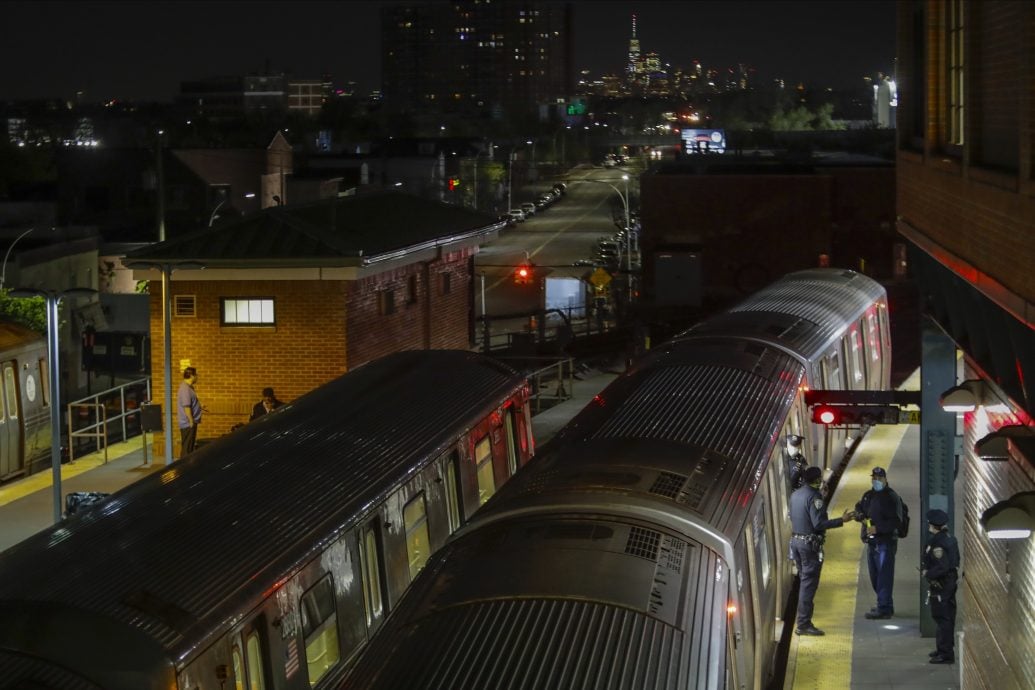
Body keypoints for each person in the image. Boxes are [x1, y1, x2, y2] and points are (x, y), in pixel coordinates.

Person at [789, 465, 855, 636]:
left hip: (796, 542)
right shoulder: (815, 497)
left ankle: (803, 621)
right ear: (817, 480)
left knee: (804, 581)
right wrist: (842, 520)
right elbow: (818, 524)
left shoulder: (795, 495)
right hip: (809, 546)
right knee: (808, 585)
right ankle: (803, 624)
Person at [854, 466, 904, 619]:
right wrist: (859, 514)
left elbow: (897, 521)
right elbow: (859, 507)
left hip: (885, 543)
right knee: (875, 576)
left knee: (884, 576)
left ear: (885, 479)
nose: (876, 481)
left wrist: (878, 529)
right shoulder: (869, 495)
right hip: (872, 543)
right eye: (874, 478)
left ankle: (884, 608)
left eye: (879, 478)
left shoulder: (891, 497)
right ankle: (885, 603)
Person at [923, 509, 960, 664]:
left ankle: (945, 654)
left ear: (932, 525)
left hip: (942, 585)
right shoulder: (950, 538)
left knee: (943, 618)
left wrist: (928, 573)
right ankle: (943, 648)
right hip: (949, 583)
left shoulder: (938, 542)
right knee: (945, 617)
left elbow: (942, 566)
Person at [177, 367, 202, 458]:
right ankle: (183, 469)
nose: (197, 377)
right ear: (191, 375)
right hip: (188, 424)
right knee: (187, 449)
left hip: (190, 422)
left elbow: (190, 404)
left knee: (189, 448)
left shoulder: (189, 387)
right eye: (196, 375)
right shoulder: (185, 389)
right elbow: (186, 406)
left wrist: (199, 407)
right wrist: (191, 421)